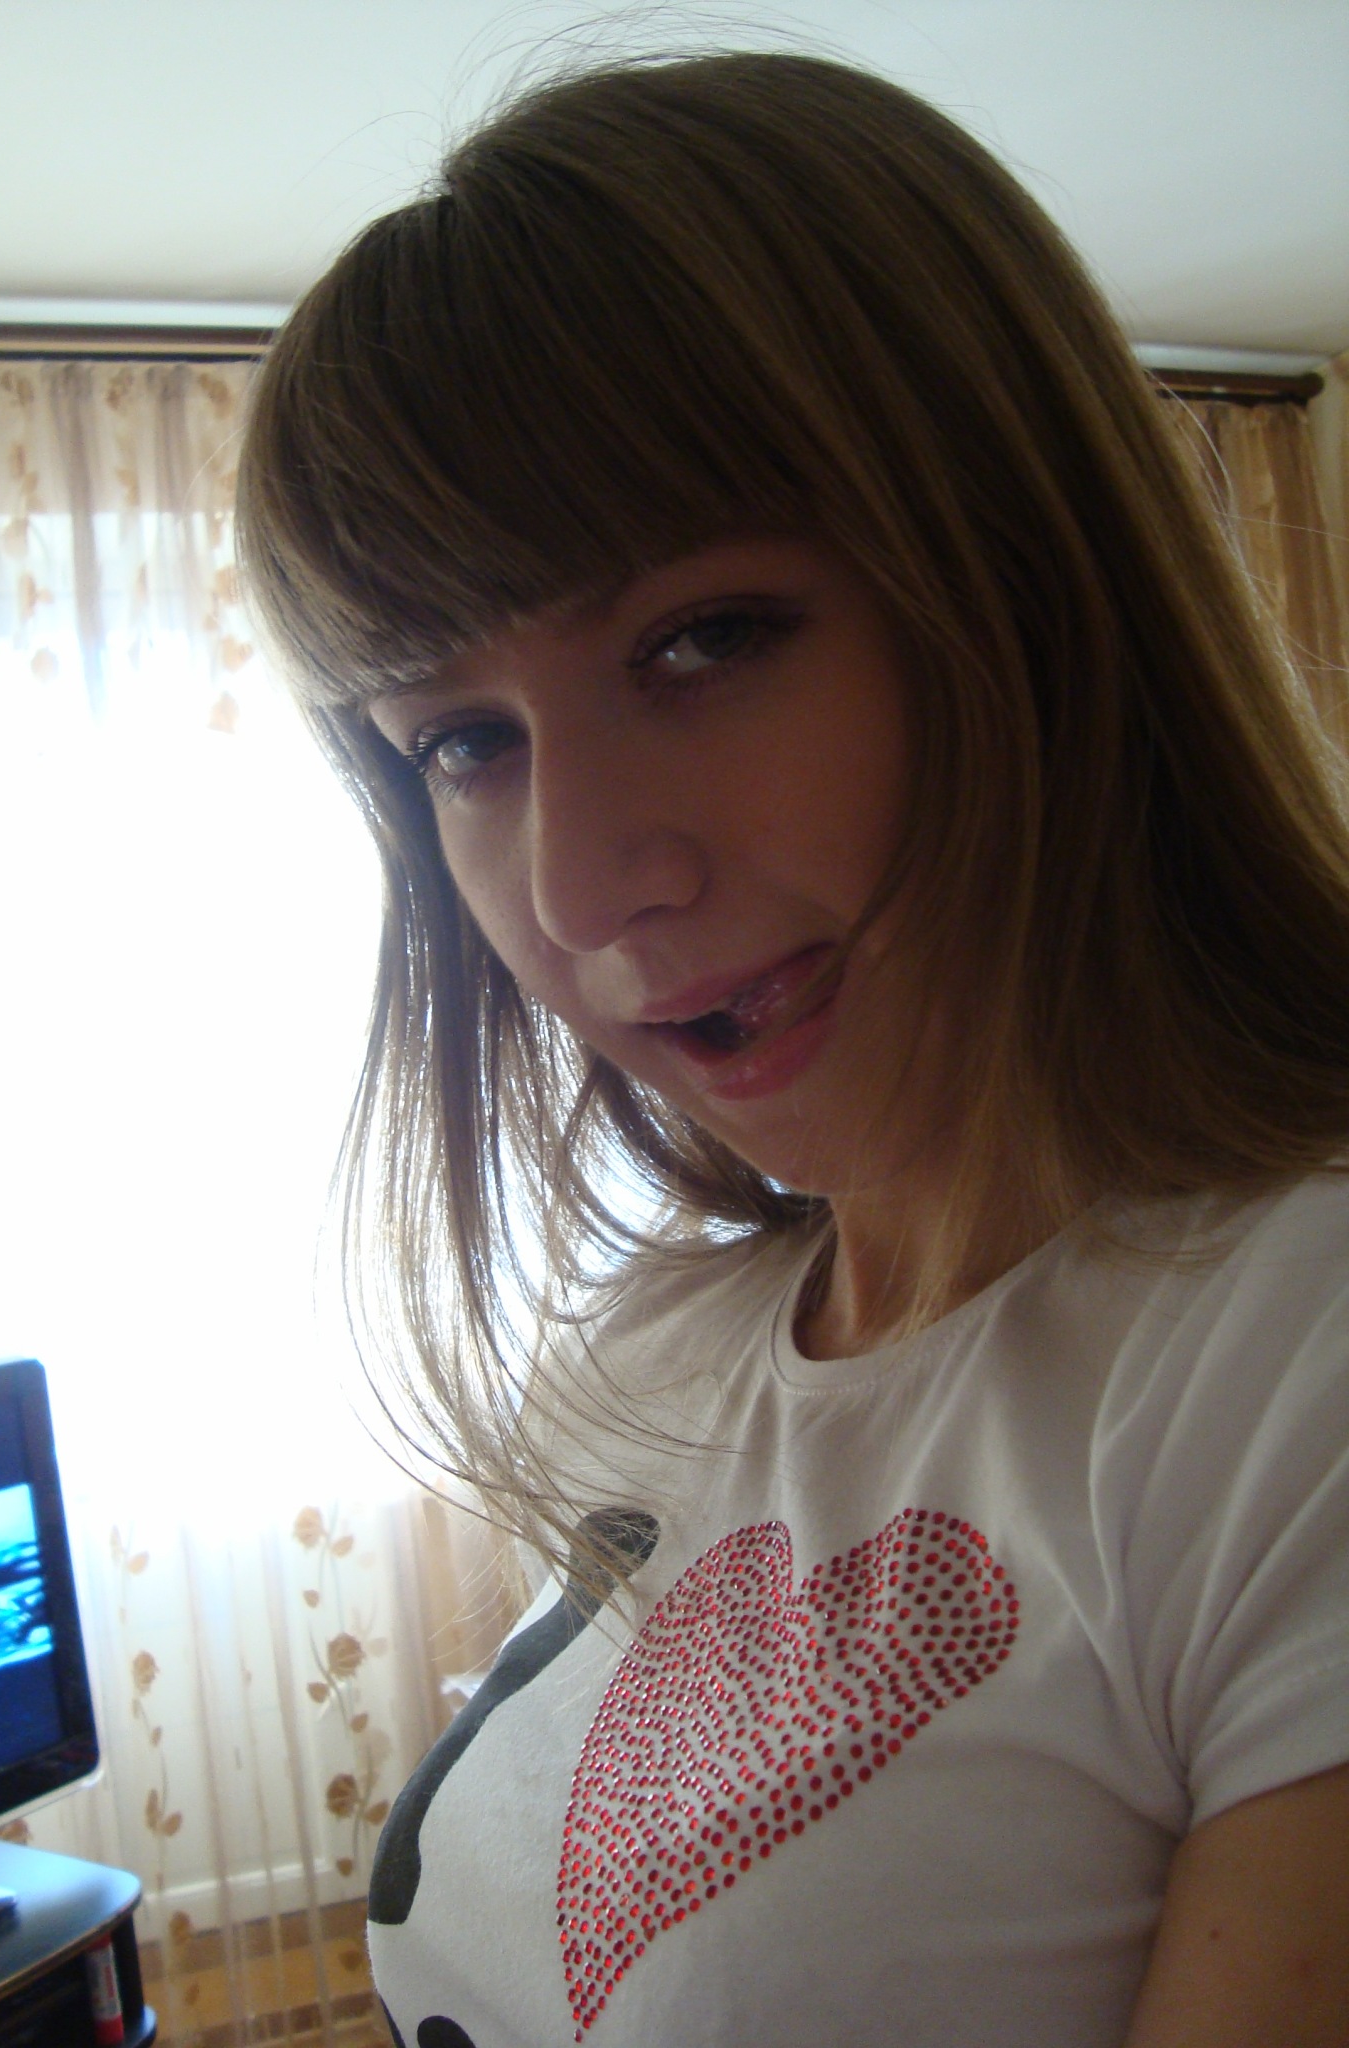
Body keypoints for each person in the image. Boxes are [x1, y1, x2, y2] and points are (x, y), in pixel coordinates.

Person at [237, 51, 1349, 2048]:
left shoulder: (1287, 1356)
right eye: (462, 741)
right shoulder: (650, 1357)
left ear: (1040, 580)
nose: (581, 884)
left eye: (706, 638)